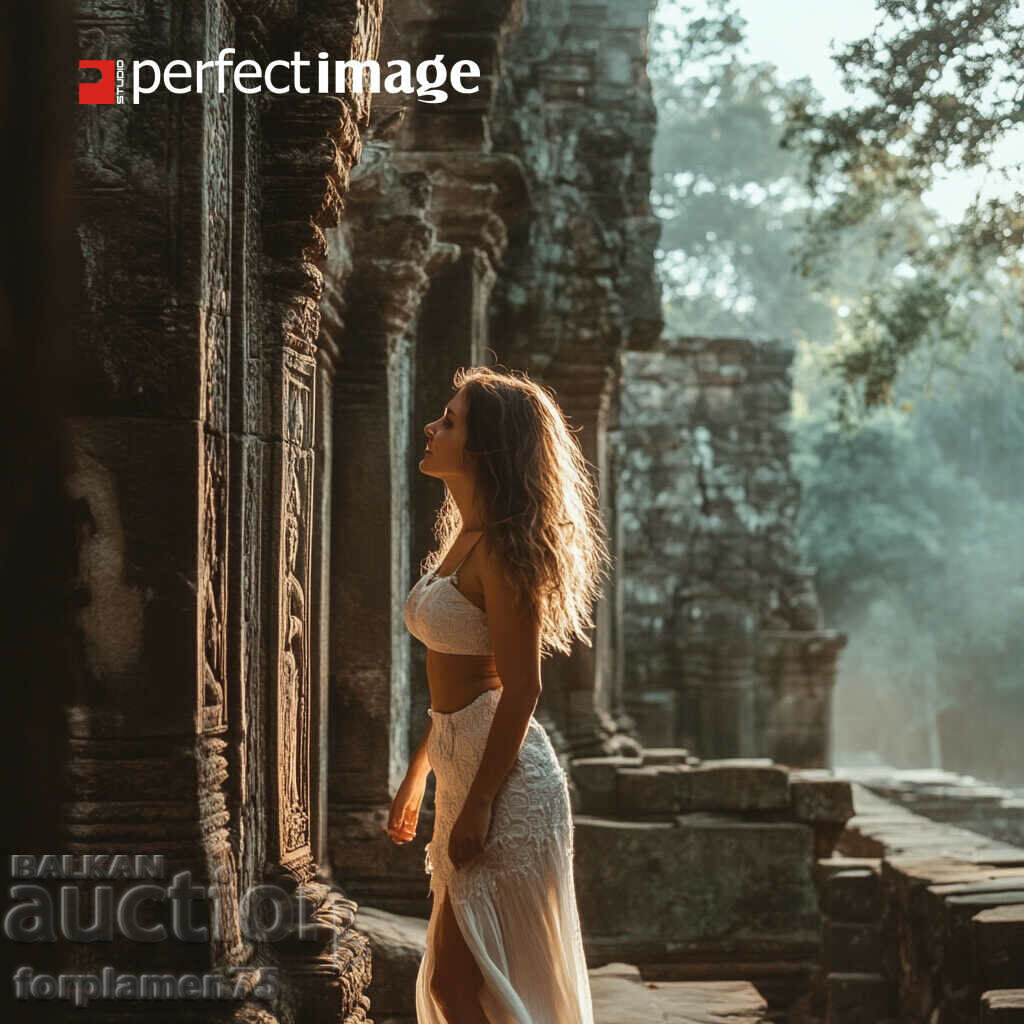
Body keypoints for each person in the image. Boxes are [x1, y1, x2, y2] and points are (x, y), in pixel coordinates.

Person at [386, 365, 608, 1024]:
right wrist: (418, 776)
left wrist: (478, 804)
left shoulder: (506, 551)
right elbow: (455, 678)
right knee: (462, 986)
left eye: (449, 422)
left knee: (462, 984)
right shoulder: (463, 536)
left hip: (507, 784)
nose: (431, 427)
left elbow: (520, 686)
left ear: (483, 449)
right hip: (463, 768)